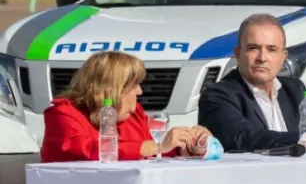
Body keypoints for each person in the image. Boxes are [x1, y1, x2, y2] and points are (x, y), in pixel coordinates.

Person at [198, 14, 306, 151]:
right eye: (253, 48)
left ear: (283, 57)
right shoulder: (217, 96)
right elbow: (242, 138)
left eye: (271, 49)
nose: (262, 58)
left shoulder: (294, 89)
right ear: (238, 54)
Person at [41, 51, 211, 162]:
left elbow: (158, 148)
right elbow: (87, 150)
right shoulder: (63, 114)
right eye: (133, 85)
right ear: (113, 89)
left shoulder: (134, 115)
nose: (140, 91)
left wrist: (188, 145)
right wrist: (157, 146)